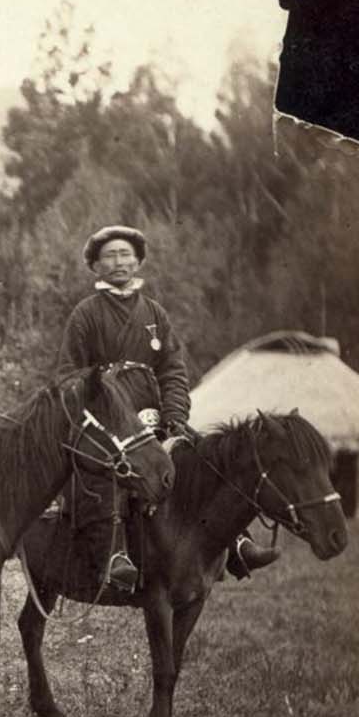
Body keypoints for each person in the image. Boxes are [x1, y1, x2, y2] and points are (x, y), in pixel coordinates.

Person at [59, 225, 278, 590]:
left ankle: (237, 543)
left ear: (138, 261)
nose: (119, 262)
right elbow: (70, 375)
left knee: (205, 460)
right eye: (109, 256)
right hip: (108, 421)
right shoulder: (85, 314)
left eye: (125, 254)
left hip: (154, 414)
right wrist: (104, 409)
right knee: (110, 470)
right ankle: (116, 555)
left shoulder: (155, 313)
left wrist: (175, 415)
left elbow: (174, 369)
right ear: (95, 266)